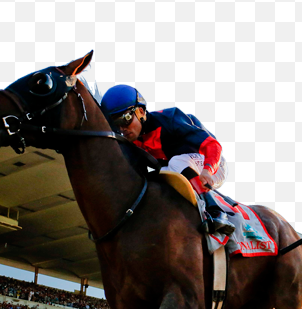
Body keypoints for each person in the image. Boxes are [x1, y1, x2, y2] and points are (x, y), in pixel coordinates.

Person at [99, 85, 236, 235]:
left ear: (141, 112)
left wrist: (208, 170)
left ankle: (215, 211)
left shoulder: (170, 119)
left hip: (212, 163)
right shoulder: (130, 143)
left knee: (175, 163)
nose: (121, 129)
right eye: (115, 125)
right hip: (179, 170)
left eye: (125, 119)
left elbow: (212, 145)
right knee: (160, 175)